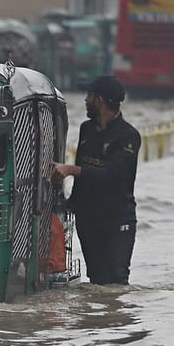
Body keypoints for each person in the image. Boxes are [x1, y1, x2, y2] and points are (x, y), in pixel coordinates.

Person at [47, 74, 140, 285]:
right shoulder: (86, 130)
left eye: (89, 95)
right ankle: (96, 318)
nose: (85, 100)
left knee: (117, 278)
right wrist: (69, 202)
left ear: (99, 100)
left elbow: (113, 175)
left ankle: (116, 317)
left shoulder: (129, 136)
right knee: (97, 279)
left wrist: (71, 169)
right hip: (88, 218)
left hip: (118, 218)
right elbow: (84, 173)